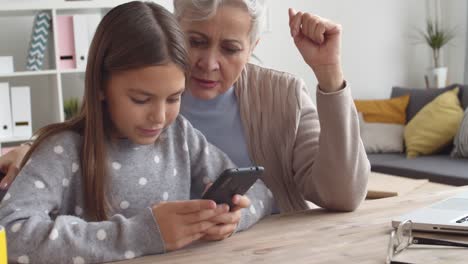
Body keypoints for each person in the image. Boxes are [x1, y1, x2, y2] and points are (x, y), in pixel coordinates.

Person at [1, 0, 369, 213]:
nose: (208, 63)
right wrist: (30, 153)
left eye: (230, 48)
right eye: (195, 41)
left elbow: (341, 195)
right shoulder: (138, 85)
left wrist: (328, 73)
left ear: (252, 47)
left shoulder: (282, 96)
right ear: (174, 31)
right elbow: (83, 142)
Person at [0, 2, 273, 263]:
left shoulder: (180, 136)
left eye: (174, 98)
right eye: (141, 100)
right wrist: (141, 234)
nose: (159, 116)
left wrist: (234, 217)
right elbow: (10, 234)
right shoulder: (64, 150)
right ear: (100, 87)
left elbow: (261, 193)